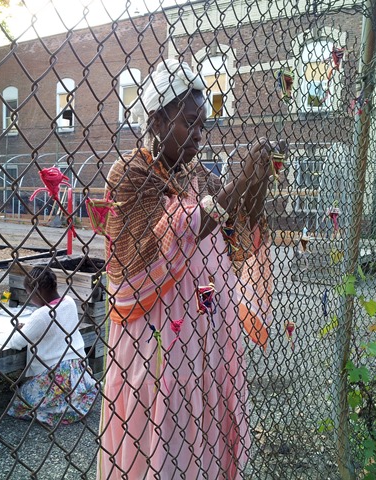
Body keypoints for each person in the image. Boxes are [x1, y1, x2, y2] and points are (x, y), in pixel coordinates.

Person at [97, 59, 280, 479]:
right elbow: (163, 242)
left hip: (203, 337)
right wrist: (236, 186)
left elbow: (239, 235)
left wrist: (259, 179)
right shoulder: (131, 173)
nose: (199, 136)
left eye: (203, 127)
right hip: (154, 339)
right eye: (190, 123)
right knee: (157, 435)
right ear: (158, 119)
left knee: (200, 436)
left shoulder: (198, 174)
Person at [4, 266, 98, 426]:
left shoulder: (41, 315)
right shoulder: (69, 302)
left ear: (36, 291)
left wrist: (19, 330)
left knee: (19, 402)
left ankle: (55, 408)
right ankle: (72, 404)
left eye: (28, 293)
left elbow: (17, 342)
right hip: (77, 369)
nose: (28, 297)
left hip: (54, 373)